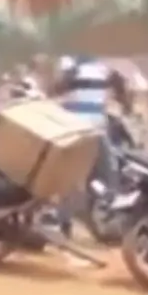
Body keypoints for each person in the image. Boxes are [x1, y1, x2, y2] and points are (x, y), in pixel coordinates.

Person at [51, 55, 129, 240]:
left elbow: (119, 86)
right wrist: (71, 72)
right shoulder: (70, 60)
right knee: (72, 176)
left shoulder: (103, 63)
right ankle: (63, 221)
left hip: (98, 126)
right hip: (76, 125)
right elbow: (58, 86)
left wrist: (119, 86)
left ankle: (103, 216)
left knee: (109, 171)